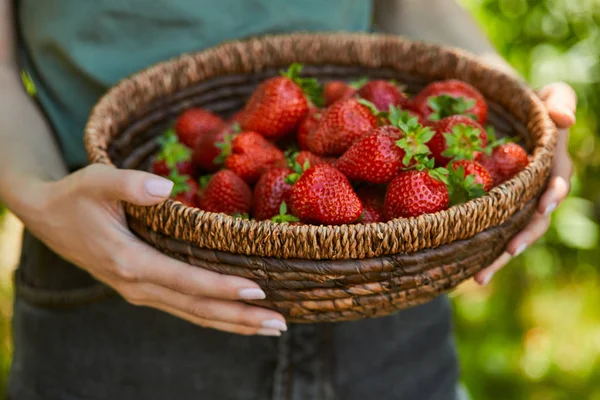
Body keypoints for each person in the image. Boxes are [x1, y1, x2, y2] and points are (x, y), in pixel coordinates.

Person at [0, 0, 576, 399]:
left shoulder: (365, 156)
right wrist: (38, 194)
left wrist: (513, 98)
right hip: (110, 262)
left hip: (390, 289)